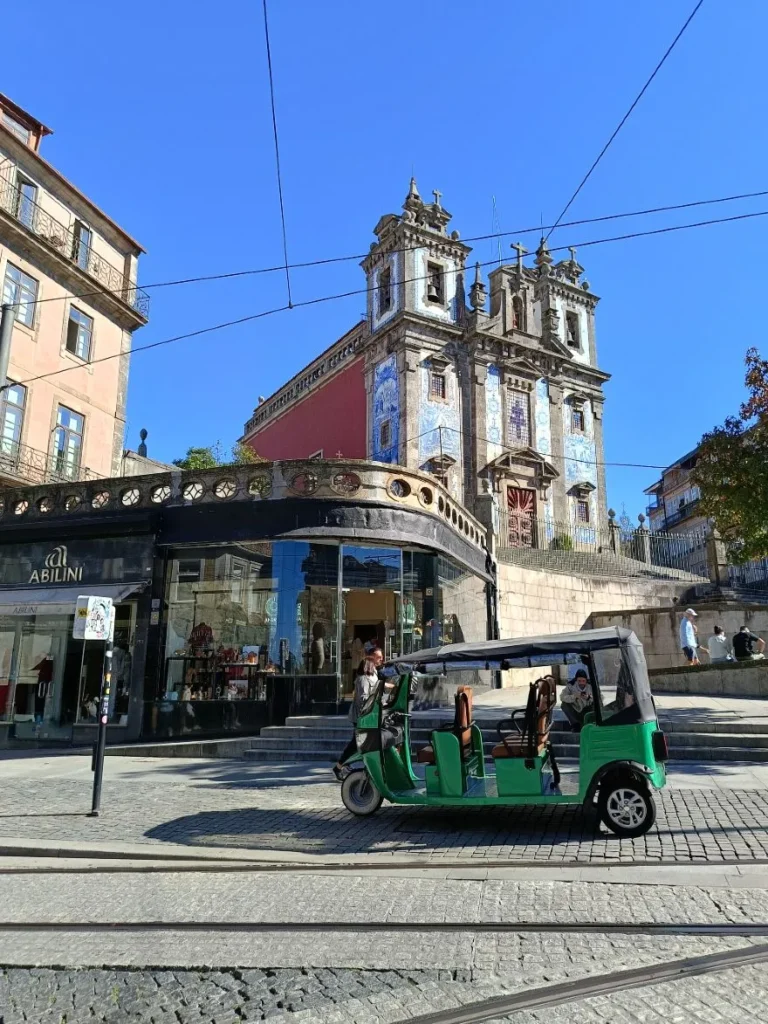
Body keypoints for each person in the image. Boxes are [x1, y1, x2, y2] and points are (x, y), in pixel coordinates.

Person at [333, 657, 379, 781]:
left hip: (368, 717)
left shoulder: (373, 677)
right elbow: (363, 699)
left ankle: (344, 765)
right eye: (374, 664)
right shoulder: (363, 679)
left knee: (360, 743)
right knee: (356, 743)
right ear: (369, 666)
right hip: (362, 717)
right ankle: (339, 766)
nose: (376, 665)